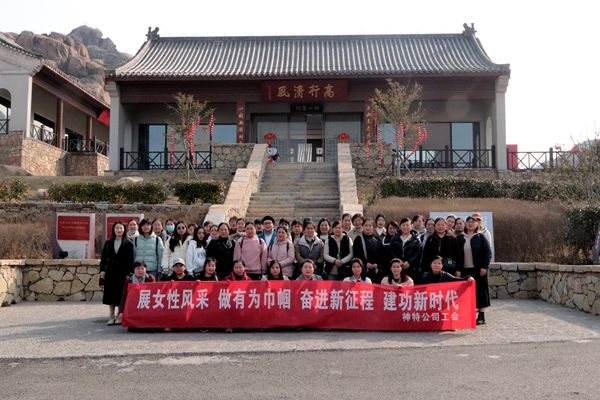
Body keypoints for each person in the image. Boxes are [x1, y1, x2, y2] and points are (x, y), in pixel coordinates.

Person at [458, 216, 492, 325]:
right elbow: (457, 255)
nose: (470, 223)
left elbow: (488, 253)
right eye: (468, 221)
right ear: (465, 224)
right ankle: (468, 315)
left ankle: (481, 316)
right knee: (466, 294)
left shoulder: (480, 237)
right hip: (464, 270)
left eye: (473, 222)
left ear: (477, 224)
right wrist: (458, 269)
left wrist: (484, 266)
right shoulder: (460, 238)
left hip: (479, 269)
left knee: (481, 292)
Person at [100, 221, 134, 325]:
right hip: (110, 271)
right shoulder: (108, 243)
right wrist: (102, 271)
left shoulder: (128, 243)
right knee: (110, 294)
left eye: (121, 228)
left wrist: (129, 273)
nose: (119, 230)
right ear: (114, 230)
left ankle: (119, 315)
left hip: (122, 272)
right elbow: (103, 258)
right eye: (117, 228)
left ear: (124, 230)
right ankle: (111, 316)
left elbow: (130, 260)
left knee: (120, 294)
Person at [390, 217, 423, 282]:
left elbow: (418, 252)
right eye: (403, 225)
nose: (405, 227)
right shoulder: (394, 238)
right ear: (400, 226)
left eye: (407, 225)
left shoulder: (416, 239)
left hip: (411, 268)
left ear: (411, 226)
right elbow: (390, 251)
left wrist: (409, 262)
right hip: (397, 268)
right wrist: (398, 261)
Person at [352, 218, 383, 283]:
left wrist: (377, 264)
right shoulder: (358, 239)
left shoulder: (377, 239)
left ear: (373, 227)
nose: (368, 227)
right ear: (362, 226)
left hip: (376, 271)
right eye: (366, 225)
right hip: (363, 270)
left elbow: (381, 254)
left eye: (370, 226)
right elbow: (356, 254)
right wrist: (365, 263)